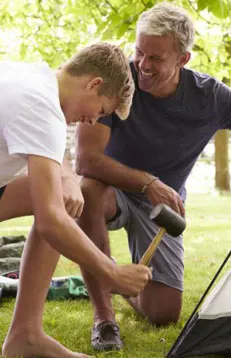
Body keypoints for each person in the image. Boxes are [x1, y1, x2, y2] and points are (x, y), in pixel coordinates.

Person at [75, 3, 231, 352]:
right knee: (89, 192)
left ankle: (109, 275)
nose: (142, 65)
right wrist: (148, 182)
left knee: (163, 314)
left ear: (183, 59)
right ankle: (104, 318)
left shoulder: (210, 96)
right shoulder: (119, 81)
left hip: (164, 207)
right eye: (139, 52)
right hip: (114, 191)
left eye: (155, 58)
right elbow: (86, 160)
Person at [0, 43, 152, 358]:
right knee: (55, 210)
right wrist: (112, 273)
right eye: (101, 110)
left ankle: (26, 335)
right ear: (94, 84)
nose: (93, 121)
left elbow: (51, 158)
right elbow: (50, 221)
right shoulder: (43, 109)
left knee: (57, 197)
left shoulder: (34, 76)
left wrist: (67, 178)